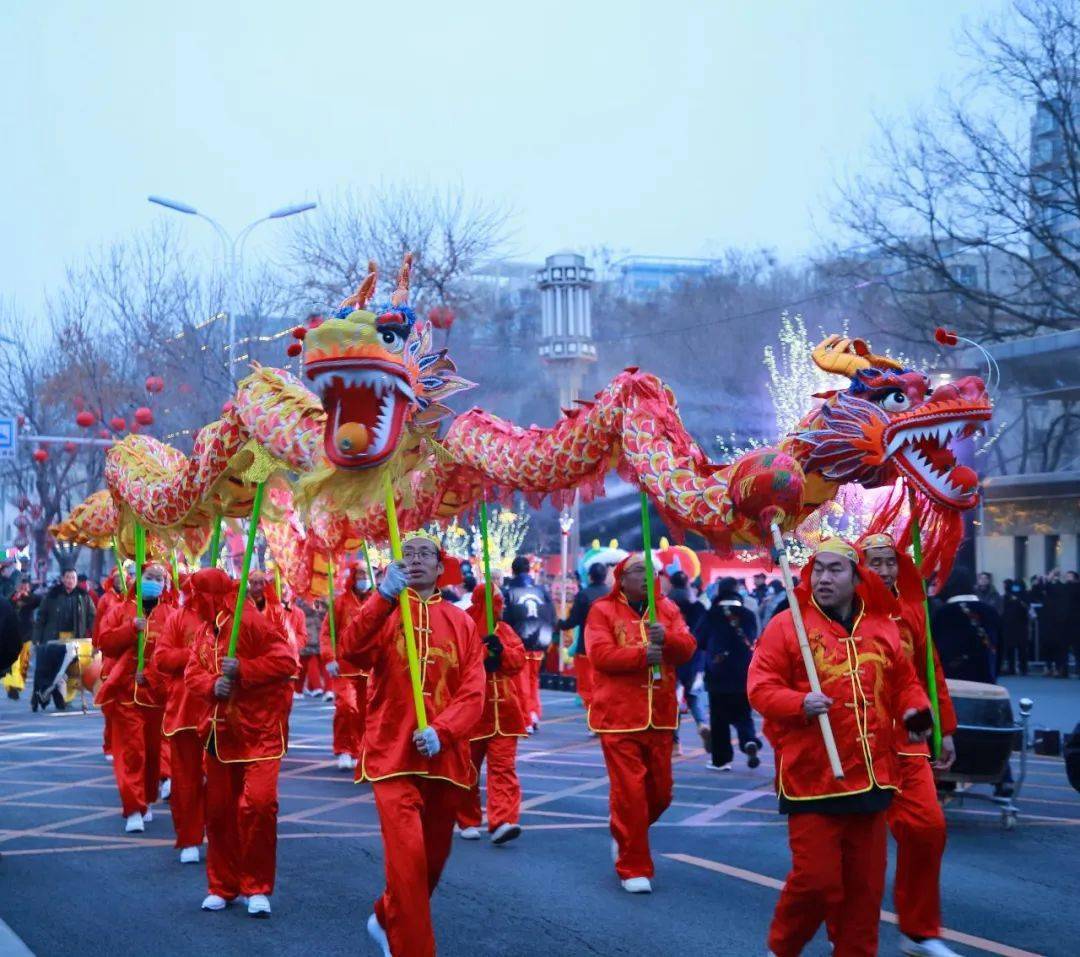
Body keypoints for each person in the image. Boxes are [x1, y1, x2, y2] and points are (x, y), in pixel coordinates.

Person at [747, 539, 931, 957]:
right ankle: (783, 947)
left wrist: (917, 716)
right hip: (813, 778)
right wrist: (798, 703)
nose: (824, 578)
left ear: (856, 576)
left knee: (864, 892)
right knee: (815, 881)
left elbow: (905, 685)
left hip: (873, 777)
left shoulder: (882, 627)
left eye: (835, 570)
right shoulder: (786, 625)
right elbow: (759, 688)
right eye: (818, 570)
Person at [338, 533, 485, 957]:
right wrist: (382, 597)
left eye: (427, 555)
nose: (417, 560)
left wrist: (444, 730)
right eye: (409, 554)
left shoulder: (462, 623)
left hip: (445, 757)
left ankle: (387, 916)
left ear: (441, 568)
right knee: (407, 861)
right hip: (392, 754)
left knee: (430, 865)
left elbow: (474, 691)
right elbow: (351, 650)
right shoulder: (385, 611)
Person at [860, 532, 960, 957]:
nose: (884, 570)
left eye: (890, 562)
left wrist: (945, 730)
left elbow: (929, 671)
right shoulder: (838, 610)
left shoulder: (914, 608)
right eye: (874, 562)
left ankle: (919, 932)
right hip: (855, 742)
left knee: (927, 828)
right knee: (856, 851)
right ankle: (847, 933)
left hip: (907, 738)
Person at [184, 568, 297, 918]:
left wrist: (244, 668)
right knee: (218, 813)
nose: (191, 601)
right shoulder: (205, 631)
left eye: (196, 594)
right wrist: (210, 684)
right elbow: (192, 672)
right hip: (219, 734)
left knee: (259, 806)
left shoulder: (249, 623)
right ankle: (222, 885)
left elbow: (286, 661)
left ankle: (257, 886)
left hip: (259, 732)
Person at [585, 552, 696, 894]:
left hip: (660, 716)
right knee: (630, 793)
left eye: (653, 572)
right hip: (618, 716)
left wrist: (669, 640)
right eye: (638, 572)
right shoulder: (602, 610)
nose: (648, 578)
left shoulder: (668, 610)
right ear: (622, 578)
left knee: (661, 794)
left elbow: (688, 648)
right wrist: (639, 656)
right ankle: (634, 865)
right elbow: (599, 655)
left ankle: (626, 832)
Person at [94, 563, 171, 833]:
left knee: (152, 754)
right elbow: (104, 641)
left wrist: (152, 676)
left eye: (159, 579)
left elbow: (175, 656)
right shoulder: (121, 610)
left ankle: (147, 798)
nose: (155, 582)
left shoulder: (171, 614)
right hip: (125, 693)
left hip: (156, 695)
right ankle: (133, 807)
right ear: (138, 579)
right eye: (150, 577)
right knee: (131, 753)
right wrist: (130, 629)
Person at [456, 583, 527, 845]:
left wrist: (502, 652)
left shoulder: (506, 631)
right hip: (474, 714)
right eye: (499, 602)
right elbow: (461, 662)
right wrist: (485, 652)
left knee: (504, 768)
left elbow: (519, 660)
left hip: (505, 712)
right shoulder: (466, 628)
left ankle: (503, 820)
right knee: (468, 770)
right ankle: (467, 818)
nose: (504, 607)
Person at [151, 575, 212, 864]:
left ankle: (215, 829)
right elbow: (161, 659)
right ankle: (189, 837)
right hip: (183, 711)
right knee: (185, 780)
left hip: (217, 712)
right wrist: (194, 655)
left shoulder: (223, 620)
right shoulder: (177, 619)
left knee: (218, 780)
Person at [694, 576, 763, 771]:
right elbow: (754, 638)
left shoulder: (711, 614)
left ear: (719, 592)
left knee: (719, 718)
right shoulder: (749, 614)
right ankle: (749, 740)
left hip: (718, 673)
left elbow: (698, 640)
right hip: (744, 673)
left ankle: (721, 759)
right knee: (743, 714)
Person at [320, 563, 373, 771]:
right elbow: (326, 633)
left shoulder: (378, 600)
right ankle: (344, 749)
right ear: (353, 577)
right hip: (344, 667)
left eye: (367, 574)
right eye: (360, 574)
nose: (364, 578)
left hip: (370, 667)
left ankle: (362, 749)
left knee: (367, 711)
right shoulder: (340, 603)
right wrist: (329, 657)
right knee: (346, 707)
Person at [31, 567, 96, 711]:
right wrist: (36, 638)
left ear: (76, 580)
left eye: (73, 578)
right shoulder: (52, 595)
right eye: (67, 577)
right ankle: (50, 695)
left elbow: (93, 618)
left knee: (72, 670)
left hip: (75, 639)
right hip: (54, 639)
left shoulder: (83, 596)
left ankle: (66, 699)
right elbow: (41, 617)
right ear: (62, 579)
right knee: (56, 670)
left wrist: (96, 636)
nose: (70, 580)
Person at [503, 555, 555, 733]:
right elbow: (551, 615)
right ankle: (534, 713)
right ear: (529, 570)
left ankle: (525, 719)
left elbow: (505, 619)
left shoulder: (509, 591)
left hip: (519, 641)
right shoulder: (542, 590)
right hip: (541, 641)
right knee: (534, 680)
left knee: (521, 683)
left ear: (513, 570)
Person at [665, 570, 710, 752]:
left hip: (672, 656)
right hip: (694, 656)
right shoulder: (698, 606)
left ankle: (675, 743)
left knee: (673, 699)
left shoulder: (667, 605)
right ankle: (702, 724)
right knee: (693, 696)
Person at [557, 561, 611, 711]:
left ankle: (594, 717)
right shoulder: (611, 595)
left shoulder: (584, 595)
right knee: (605, 684)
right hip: (609, 648)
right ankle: (603, 716)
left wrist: (561, 624)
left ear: (590, 577)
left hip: (587, 647)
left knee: (587, 686)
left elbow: (574, 620)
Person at [932, 567, 1001, 684]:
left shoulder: (942, 614)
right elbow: (999, 647)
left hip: (952, 681)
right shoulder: (991, 611)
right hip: (986, 680)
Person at [999, 579, 1030, 676]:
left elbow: (1026, 609)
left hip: (1020, 625)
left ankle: (1023, 668)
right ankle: (1013, 668)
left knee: (1021, 648)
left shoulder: (1024, 597)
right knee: (1011, 648)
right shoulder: (1007, 597)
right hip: (1011, 625)